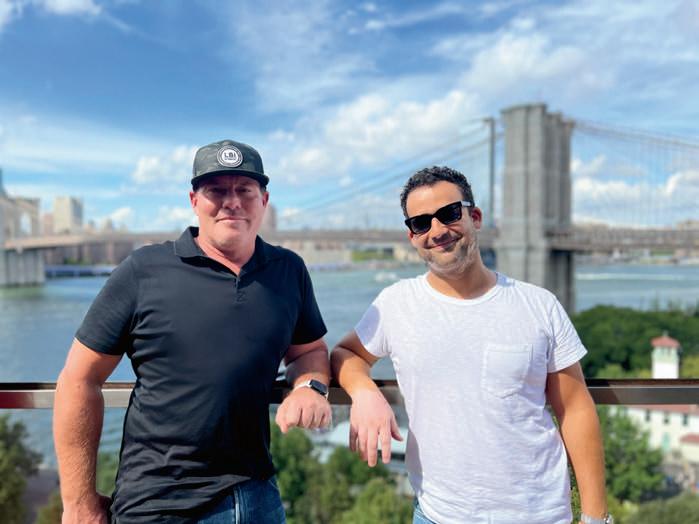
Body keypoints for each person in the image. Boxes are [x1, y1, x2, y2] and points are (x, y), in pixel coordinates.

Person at [54, 139, 332, 524]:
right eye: (216, 190)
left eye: (245, 190)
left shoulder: (289, 270)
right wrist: (78, 502)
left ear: (264, 201)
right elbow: (79, 380)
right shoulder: (143, 270)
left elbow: (309, 351)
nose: (232, 202)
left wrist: (309, 387)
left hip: (256, 495)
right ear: (194, 200)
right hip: (156, 503)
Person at [331, 166, 611, 524]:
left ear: (474, 217)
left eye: (449, 214)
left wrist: (595, 517)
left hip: (539, 515)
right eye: (421, 223)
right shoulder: (395, 303)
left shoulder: (539, 305)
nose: (437, 231)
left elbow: (575, 409)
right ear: (412, 236)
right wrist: (365, 393)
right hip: (436, 515)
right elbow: (347, 354)